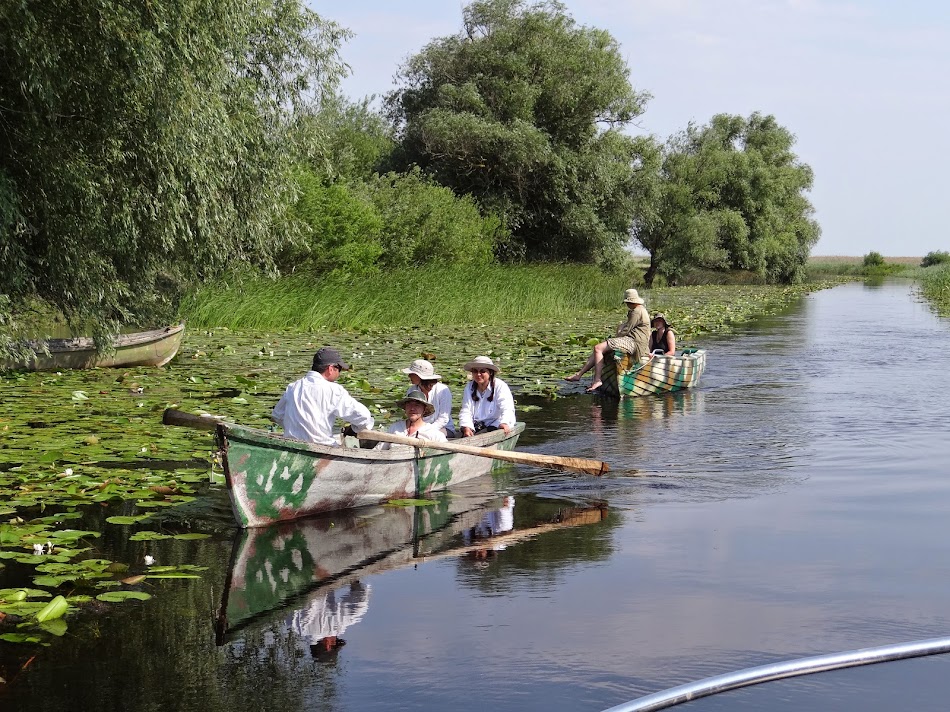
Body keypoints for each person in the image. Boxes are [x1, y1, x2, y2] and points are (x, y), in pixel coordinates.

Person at [271, 347, 374, 446]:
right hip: (323, 447)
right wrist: (354, 429)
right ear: (330, 369)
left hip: (292, 445)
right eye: (339, 369)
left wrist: (296, 429)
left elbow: (277, 415)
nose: (339, 373)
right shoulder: (334, 390)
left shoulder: (293, 387)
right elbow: (364, 417)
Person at [566, 288, 650, 393]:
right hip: (634, 341)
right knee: (598, 350)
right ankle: (579, 374)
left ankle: (597, 380)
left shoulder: (636, 312)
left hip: (634, 342)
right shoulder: (640, 310)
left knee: (598, 348)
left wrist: (618, 333)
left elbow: (625, 331)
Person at [286, 580, 371, 662]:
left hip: (322, 576)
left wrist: (354, 583)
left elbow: (361, 603)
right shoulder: (294, 625)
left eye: (335, 641)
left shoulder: (332, 629)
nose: (336, 637)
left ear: (328, 645)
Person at [457, 356, 516, 437]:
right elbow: (466, 410)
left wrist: (504, 423)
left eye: (482, 371)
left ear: (490, 372)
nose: (478, 374)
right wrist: (467, 427)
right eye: (475, 371)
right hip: (476, 425)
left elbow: (507, 409)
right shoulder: (469, 387)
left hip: (495, 424)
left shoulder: (500, 386)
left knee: (481, 436)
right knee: (458, 436)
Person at [375, 387, 448, 450]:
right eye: (409, 405)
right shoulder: (395, 428)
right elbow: (378, 450)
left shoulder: (433, 433)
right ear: (405, 408)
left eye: (417, 405)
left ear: (424, 410)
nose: (412, 408)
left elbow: (447, 451)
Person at [401, 359, 455, 436]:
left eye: (412, 374)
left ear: (419, 376)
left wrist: (425, 430)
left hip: (443, 428)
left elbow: (443, 418)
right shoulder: (411, 390)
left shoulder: (443, 390)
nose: (409, 376)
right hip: (418, 428)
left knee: (428, 436)